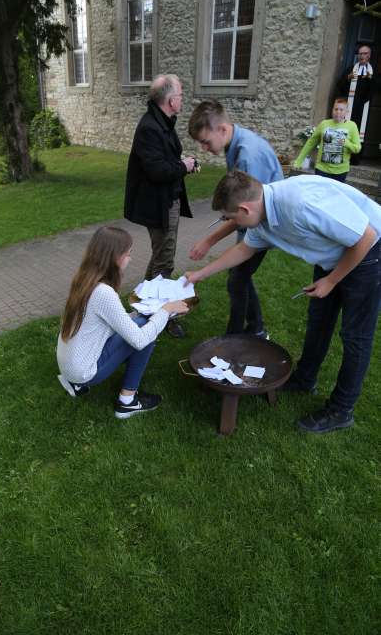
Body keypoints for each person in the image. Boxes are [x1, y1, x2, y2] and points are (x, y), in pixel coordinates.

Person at [185, 171, 381, 434]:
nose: (232, 224)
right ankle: (304, 379)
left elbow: (365, 236)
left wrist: (332, 281)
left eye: (232, 218)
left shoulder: (300, 204)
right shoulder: (263, 216)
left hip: (369, 251)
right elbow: (244, 249)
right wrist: (199, 275)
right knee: (319, 321)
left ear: (244, 208)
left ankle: (341, 409)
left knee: (355, 336)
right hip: (334, 254)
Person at [57, 226, 188, 419]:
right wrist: (166, 310)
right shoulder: (103, 292)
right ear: (114, 257)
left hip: (69, 365)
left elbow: (104, 321)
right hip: (84, 371)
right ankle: (127, 402)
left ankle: (79, 385)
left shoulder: (84, 279)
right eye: (128, 254)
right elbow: (139, 340)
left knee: (142, 321)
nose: (130, 258)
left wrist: (137, 315)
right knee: (147, 333)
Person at [188, 100, 283, 338]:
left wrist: (208, 241)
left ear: (222, 129)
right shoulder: (236, 145)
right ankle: (255, 328)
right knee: (239, 276)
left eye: (205, 142)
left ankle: (238, 336)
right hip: (253, 222)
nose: (204, 148)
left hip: (265, 225)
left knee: (237, 279)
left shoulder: (248, 156)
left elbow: (245, 212)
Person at [124, 74, 197, 339]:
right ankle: (161, 317)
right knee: (164, 261)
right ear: (169, 100)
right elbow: (156, 170)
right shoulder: (150, 127)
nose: (182, 98)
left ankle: (143, 307)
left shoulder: (162, 122)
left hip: (167, 200)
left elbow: (164, 162)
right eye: (180, 94)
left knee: (159, 258)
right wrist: (184, 166)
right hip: (158, 205)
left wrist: (183, 164)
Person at [293, 98, 361, 182]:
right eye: (336, 109)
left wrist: (346, 143)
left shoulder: (352, 126)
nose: (338, 112)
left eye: (341, 110)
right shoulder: (324, 124)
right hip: (322, 169)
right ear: (332, 110)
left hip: (340, 171)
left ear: (347, 112)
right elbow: (310, 143)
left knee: (334, 195)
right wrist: (299, 160)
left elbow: (357, 148)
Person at [339, 45, 373, 143]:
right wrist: (347, 78)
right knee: (345, 132)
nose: (362, 55)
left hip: (363, 109)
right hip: (348, 108)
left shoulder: (372, 71)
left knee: (358, 134)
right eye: (360, 53)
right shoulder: (350, 69)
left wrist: (370, 78)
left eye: (365, 53)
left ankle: (355, 157)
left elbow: (374, 90)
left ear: (369, 55)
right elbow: (339, 86)